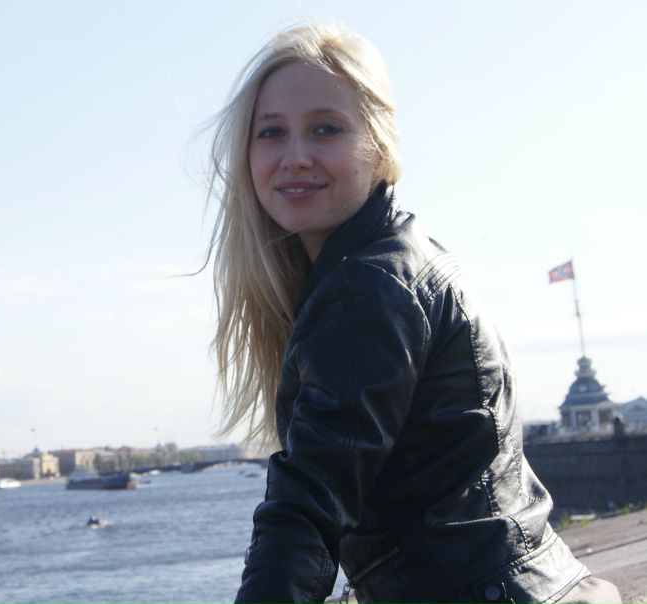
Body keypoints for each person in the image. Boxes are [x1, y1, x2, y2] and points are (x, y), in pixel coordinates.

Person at [205, 22, 620, 604]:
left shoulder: (365, 288)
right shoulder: (402, 256)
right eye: (271, 132)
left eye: (325, 128)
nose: (295, 157)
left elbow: (308, 504)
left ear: (378, 146)